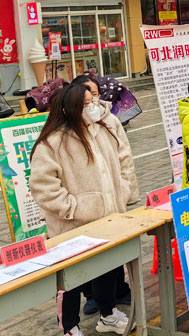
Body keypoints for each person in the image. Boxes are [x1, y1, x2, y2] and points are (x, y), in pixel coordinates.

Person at [30, 83, 138, 336]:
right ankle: (70, 327)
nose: (93, 107)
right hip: (72, 227)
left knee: (108, 269)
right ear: (69, 109)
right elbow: (42, 186)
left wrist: (121, 192)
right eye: (86, 104)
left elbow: (122, 162)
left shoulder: (103, 129)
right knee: (71, 279)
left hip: (107, 219)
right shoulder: (53, 141)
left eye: (94, 101)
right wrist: (73, 208)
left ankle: (108, 314)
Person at [71, 74, 133, 316]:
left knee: (114, 251)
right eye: (88, 97)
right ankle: (93, 297)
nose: (93, 101)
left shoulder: (108, 120)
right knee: (89, 256)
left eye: (95, 95)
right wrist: (72, 206)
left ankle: (118, 292)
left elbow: (124, 156)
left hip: (112, 199)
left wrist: (124, 189)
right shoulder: (65, 131)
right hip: (84, 209)